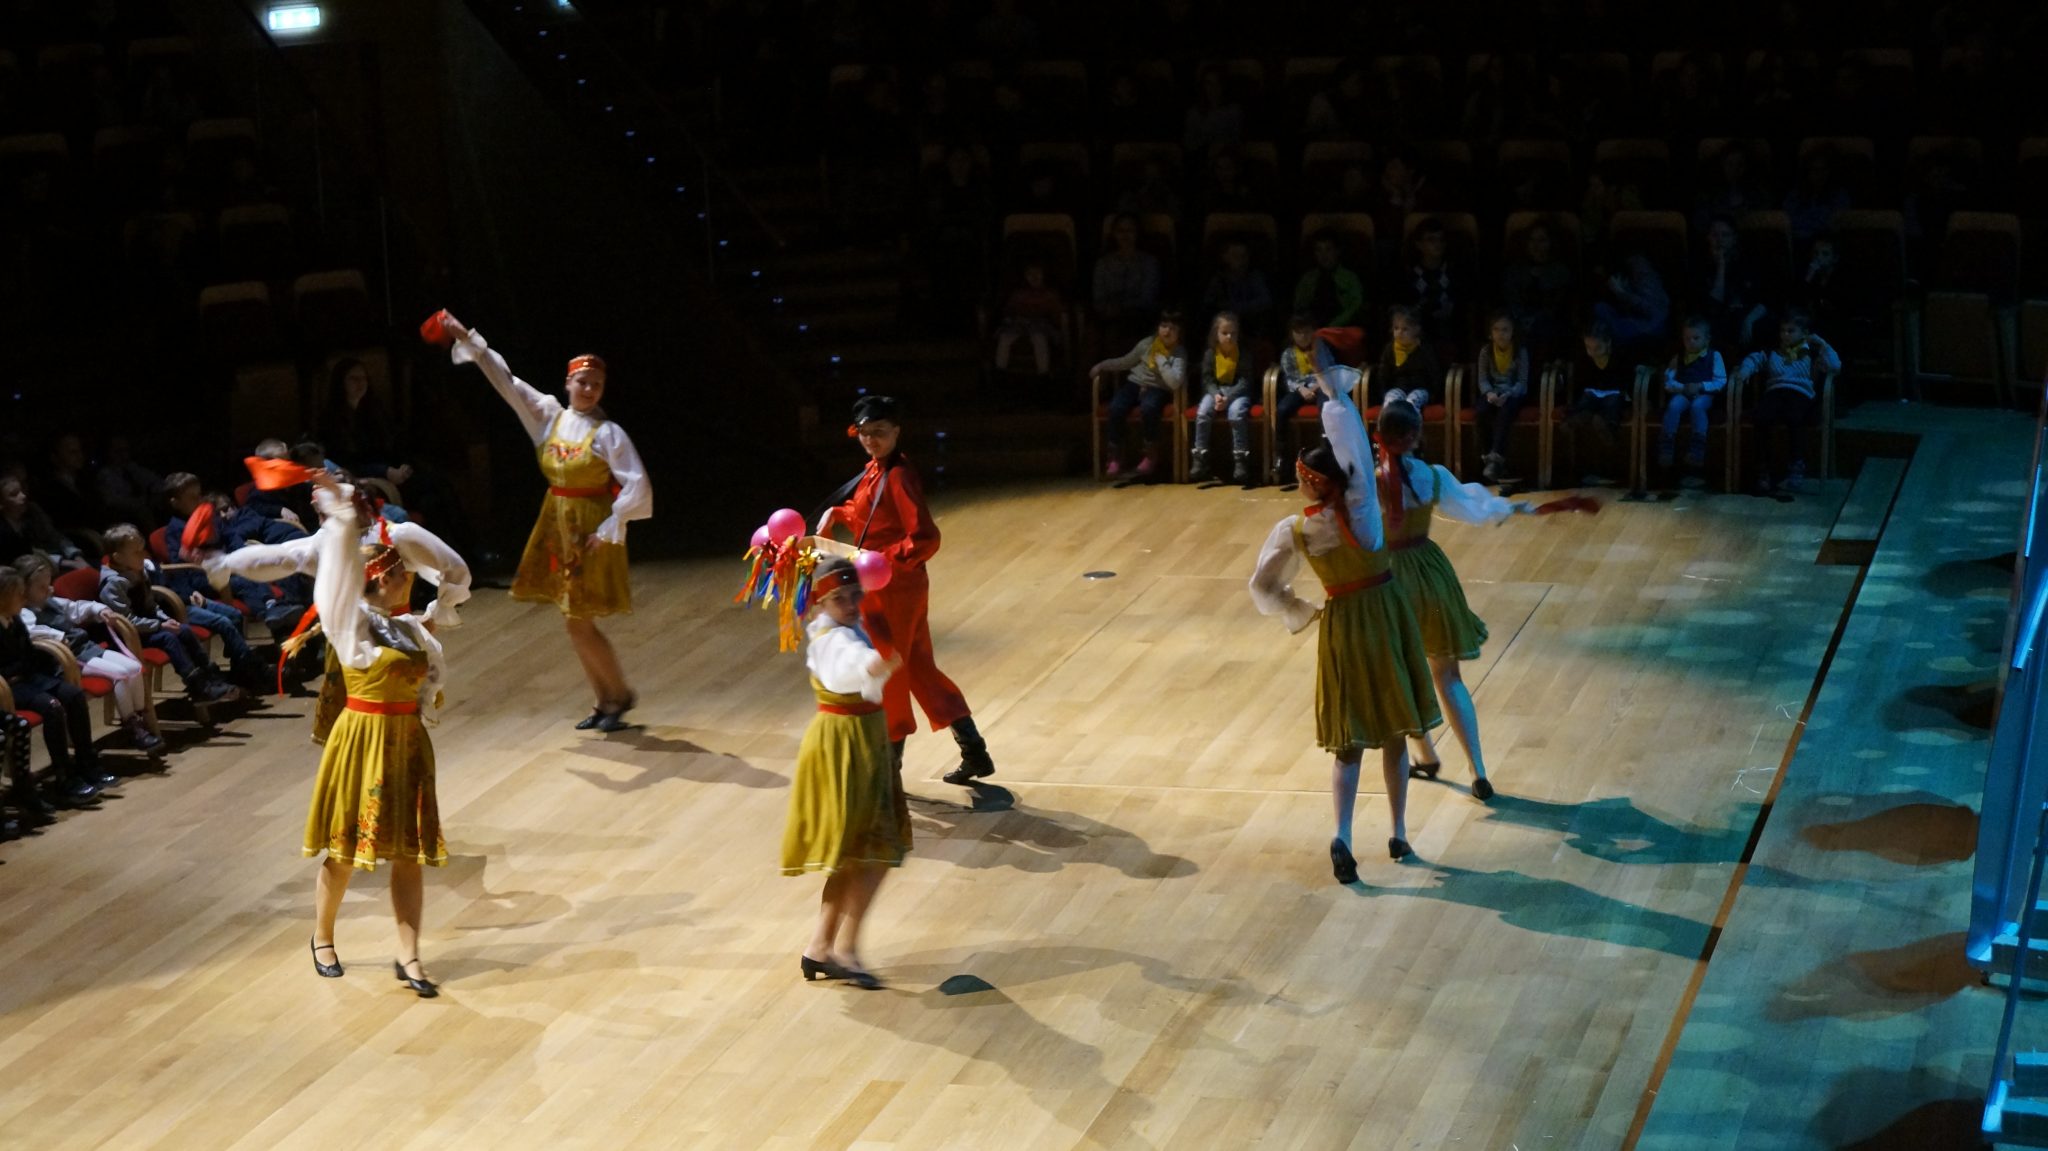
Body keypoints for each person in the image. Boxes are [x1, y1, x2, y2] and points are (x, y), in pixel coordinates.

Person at [1248, 366, 1443, 882]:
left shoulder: (1296, 529)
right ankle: (1398, 831)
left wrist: (1295, 608)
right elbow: (1355, 449)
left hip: (1341, 626)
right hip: (1384, 614)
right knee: (1396, 729)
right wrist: (1336, 400)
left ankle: (1343, 834)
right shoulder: (1362, 512)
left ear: (1310, 484)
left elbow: (1262, 587)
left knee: (1348, 740)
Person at [440, 313, 651, 731]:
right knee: (573, 623)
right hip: (558, 525)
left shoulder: (608, 433)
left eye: (596, 384)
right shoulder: (549, 417)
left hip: (590, 532)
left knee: (579, 621)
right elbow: (506, 382)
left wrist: (610, 527)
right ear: (568, 382)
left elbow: (637, 485)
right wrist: (471, 341)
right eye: (583, 382)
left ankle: (619, 695)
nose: (589, 389)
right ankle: (604, 699)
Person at [300, 476, 446, 997]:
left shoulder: (415, 629)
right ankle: (322, 937)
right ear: (382, 581)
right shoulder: (350, 625)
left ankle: (410, 955)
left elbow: (432, 683)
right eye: (402, 573)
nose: (410, 576)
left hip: (405, 743)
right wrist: (340, 513)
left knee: (407, 852)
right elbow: (332, 586)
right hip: (361, 741)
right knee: (344, 850)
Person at [817, 395, 995, 785]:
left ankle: (889, 768)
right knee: (917, 667)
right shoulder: (875, 469)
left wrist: (881, 560)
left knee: (891, 669)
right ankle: (975, 751)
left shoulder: (898, 475)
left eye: (879, 432)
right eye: (865, 433)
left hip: (894, 586)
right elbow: (873, 516)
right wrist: (840, 512)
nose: (871, 440)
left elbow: (925, 537)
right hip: (891, 584)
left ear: (897, 431)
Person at [1373, 400, 1537, 802]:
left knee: (1402, 672)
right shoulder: (1431, 475)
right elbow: (1472, 507)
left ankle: (1426, 755)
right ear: (1415, 436)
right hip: (1430, 577)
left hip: (1388, 582)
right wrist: (1507, 508)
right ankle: (1478, 770)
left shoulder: (1367, 480)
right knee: (1447, 674)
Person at [783, 557, 907, 990]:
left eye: (856, 595)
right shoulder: (833, 640)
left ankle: (821, 947)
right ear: (821, 601)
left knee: (856, 854)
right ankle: (846, 950)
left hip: (856, 740)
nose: (853, 604)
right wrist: (884, 657)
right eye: (841, 598)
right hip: (846, 746)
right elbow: (858, 666)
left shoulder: (838, 628)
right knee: (873, 851)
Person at [15, 553, 162, 758]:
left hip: (86, 649)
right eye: (42, 587)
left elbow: (76, 607)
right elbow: (31, 632)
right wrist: (56, 636)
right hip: (67, 660)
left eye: (49, 584)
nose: (49, 590)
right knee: (120, 675)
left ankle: (139, 716)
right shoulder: (24, 614)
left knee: (134, 667)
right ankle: (131, 724)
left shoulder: (51, 602)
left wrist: (99, 610)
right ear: (23, 590)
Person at [0, 566, 108, 809]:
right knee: (52, 707)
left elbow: (28, 654)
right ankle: (64, 777)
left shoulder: (15, 620)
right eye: (18, 593)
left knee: (74, 694)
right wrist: (18, 670)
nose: (23, 598)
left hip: (27, 678)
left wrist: (27, 668)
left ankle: (87, 764)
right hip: (8, 687)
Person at [98, 524, 242, 704]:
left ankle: (211, 676)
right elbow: (126, 620)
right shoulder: (112, 584)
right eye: (136, 552)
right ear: (118, 558)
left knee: (184, 630)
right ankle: (198, 687)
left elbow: (151, 605)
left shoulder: (138, 570)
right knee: (169, 639)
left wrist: (166, 620)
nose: (143, 555)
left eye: (142, 550)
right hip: (129, 636)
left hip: (149, 626)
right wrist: (160, 625)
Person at [1737, 310, 1840, 496]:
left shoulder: (1811, 353)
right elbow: (1754, 359)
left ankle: (1796, 465)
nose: (1785, 335)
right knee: (1761, 417)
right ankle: (1763, 469)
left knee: (1795, 416)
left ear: (1804, 333)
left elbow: (1835, 366)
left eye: (1791, 331)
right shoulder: (1773, 352)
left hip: (1800, 393)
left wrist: (1821, 343)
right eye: (1783, 330)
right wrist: (1745, 370)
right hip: (1776, 392)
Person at [1091, 308, 1189, 480]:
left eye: (1172, 328)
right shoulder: (1147, 344)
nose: (1167, 331)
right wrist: (1102, 365)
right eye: (1164, 326)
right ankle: (1115, 456)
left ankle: (1149, 454)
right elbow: (1125, 361)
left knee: (1149, 407)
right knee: (1116, 407)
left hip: (1158, 388)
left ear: (1179, 333)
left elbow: (1174, 382)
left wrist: (1162, 362)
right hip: (1134, 384)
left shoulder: (1179, 353)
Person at [1560, 320, 1634, 485]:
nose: (1592, 353)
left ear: (1608, 343)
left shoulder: (1620, 356)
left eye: (1597, 348)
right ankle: (1577, 418)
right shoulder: (1584, 358)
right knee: (1586, 400)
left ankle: (1607, 426)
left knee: (1611, 404)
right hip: (1592, 393)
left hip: (1613, 393)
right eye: (1589, 348)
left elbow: (1626, 381)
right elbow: (1581, 382)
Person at [1658, 316, 1728, 487]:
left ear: (1707, 339)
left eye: (1696, 338)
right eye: (1687, 338)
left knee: (1697, 407)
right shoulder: (1679, 358)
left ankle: (1697, 448)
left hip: (1704, 394)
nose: (1691, 342)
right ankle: (1667, 445)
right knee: (1674, 406)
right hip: (1684, 391)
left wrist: (1700, 386)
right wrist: (1680, 387)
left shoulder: (1714, 356)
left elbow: (1721, 381)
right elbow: (1668, 381)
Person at [1192, 311, 1255, 485]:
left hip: (1237, 393)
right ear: (1216, 334)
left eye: (1233, 333)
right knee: (1203, 412)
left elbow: (1245, 381)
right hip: (1216, 392)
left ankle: (1241, 460)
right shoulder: (1210, 353)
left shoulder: (1243, 353)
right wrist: (1216, 395)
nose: (1229, 337)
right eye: (1225, 333)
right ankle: (1200, 457)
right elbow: (1207, 379)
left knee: (1236, 413)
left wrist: (1228, 397)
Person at [1470, 311, 1530, 483]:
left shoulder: (1520, 351)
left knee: (1505, 412)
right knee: (1481, 411)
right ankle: (1486, 457)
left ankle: (1496, 458)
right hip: (1492, 392)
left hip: (1513, 393)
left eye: (1505, 330)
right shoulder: (1486, 351)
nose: (1500, 334)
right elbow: (1482, 379)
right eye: (1496, 330)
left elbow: (1522, 382)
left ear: (1512, 331)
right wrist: (1489, 393)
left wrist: (1508, 394)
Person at [1092, 213, 1163, 349]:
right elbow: (1098, 298)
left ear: (1137, 233)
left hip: (1140, 317)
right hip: (1108, 318)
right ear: (1114, 234)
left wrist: (1122, 307)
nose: (1125, 235)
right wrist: (1108, 309)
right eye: (1120, 231)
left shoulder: (1149, 263)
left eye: (1130, 230)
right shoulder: (1103, 264)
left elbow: (1148, 299)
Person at [1270, 313, 1324, 483]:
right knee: (1282, 409)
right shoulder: (1288, 353)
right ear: (1292, 334)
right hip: (1299, 390)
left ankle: (1326, 454)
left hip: (1321, 387)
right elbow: (1289, 378)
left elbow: (1329, 371)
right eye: (1298, 332)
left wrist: (1315, 387)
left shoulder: (1321, 349)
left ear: (1314, 332)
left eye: (1306, 332)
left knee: (1327, 408)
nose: (1303, 336)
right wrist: (1302, 390)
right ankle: (1282, 459)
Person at [991, 261, 1066, 377]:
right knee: (1005, 338)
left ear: (1043, 275)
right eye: (1030, 274)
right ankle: (999, 373)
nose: (1034, 277)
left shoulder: (1049, 294)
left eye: (1038, 273)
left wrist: (1056, 325)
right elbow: (1008, 311)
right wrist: (1012, 318)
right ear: (1025, 277)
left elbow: (1057, 313)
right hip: (1018, 323)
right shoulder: (1018, 294)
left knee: (1039, 339)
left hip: (1040, 325)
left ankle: (1043, 374)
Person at [0, 477, 89, 573]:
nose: (23, 496)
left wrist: (75, 556)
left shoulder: (32, 515)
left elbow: (55, 538)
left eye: (22, 491)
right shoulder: (3, 532)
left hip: (51, 564)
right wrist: (70, 563)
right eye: (14, 494)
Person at [1293, 231, 1366, 330]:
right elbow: (1299, 305)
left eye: (1328, 249)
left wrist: (1333, 325)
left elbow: (1356, 306)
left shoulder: (1349, 278)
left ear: (1337, 251)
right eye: (1318, 250)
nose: (1323, 255)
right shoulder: (1308, 278)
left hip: (1340, 327)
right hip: (1311, 327)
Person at [1376, 306, 1441, 409]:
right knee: (1390, 400)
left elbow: (1434, 373)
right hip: (1398, 388)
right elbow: (1383, 374)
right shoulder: (1389, 349)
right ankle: (1388, 419)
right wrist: (1385, 392)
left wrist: (1433, 394)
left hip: (1420, 389)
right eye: (1396, 328)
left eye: (1405, 329)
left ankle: (1411, 419)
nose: (1399, 332)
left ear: (1416, 330)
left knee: (1412, 401)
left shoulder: (1424, 349)